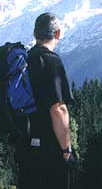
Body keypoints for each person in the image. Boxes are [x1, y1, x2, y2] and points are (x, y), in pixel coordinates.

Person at [15, 12, 76, 189]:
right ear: (57, 34)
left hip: (25, 146)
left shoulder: (24, 60)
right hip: (49, 150)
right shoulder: (51, 61)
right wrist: (67, 151)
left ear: (35, 34)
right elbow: (58, 109)